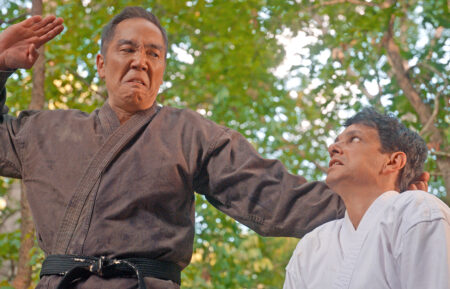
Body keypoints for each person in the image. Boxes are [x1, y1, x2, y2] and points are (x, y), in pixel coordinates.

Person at [0, 7, 428, 289]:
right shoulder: (45, 132)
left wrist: (386, 199)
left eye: (154, 53)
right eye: (126, 49)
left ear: (163, 66)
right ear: (101, 61)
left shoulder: (189, 134)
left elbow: (271, 194)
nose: (140, 61)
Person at [283, 108, 449, 289]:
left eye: (354, 139)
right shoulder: (312, 245)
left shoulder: (417, 212)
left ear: (393, 162)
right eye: (335, 142)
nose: (332, 148)